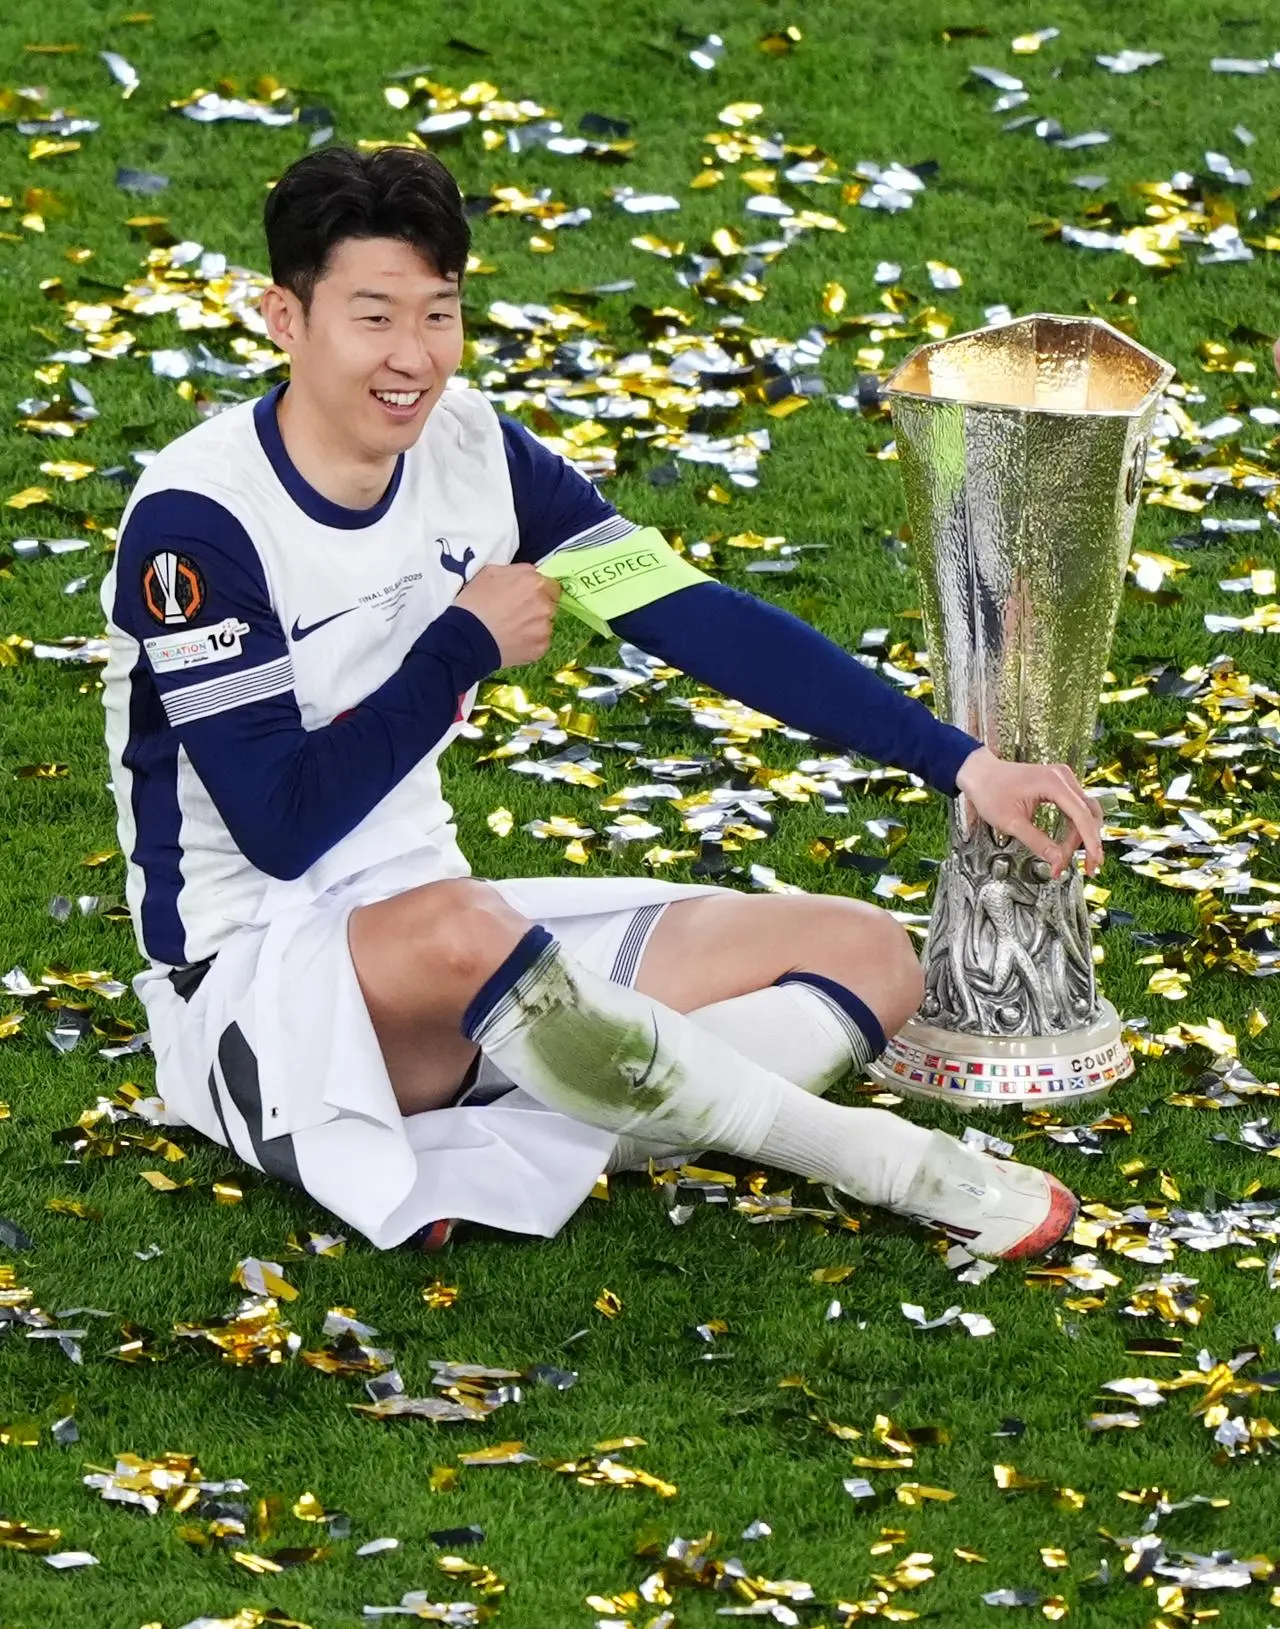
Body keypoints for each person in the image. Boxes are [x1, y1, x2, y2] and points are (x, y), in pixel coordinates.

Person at [99, 145, 1103, 1261]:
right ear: (283, 318)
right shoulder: (197, 524)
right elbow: (278, 831)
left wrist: (958, 760)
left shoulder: (472, 445)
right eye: (372, 317)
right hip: (257, 981)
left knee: (867, 952)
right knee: (458, 928)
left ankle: (561, 1108)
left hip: (459, 947)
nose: (413, 359)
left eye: (439, 315)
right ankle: (875, 1161)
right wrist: (459, 650)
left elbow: (688, 614)